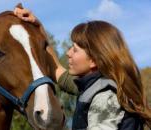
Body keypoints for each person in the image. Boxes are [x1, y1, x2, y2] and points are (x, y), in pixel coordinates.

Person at [13, 7, 151, 130]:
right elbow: (57, 72)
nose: (68, 53)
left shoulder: (104, 96)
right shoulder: (93, 86)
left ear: (93, 60)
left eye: (75, 49)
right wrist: (38, 29)